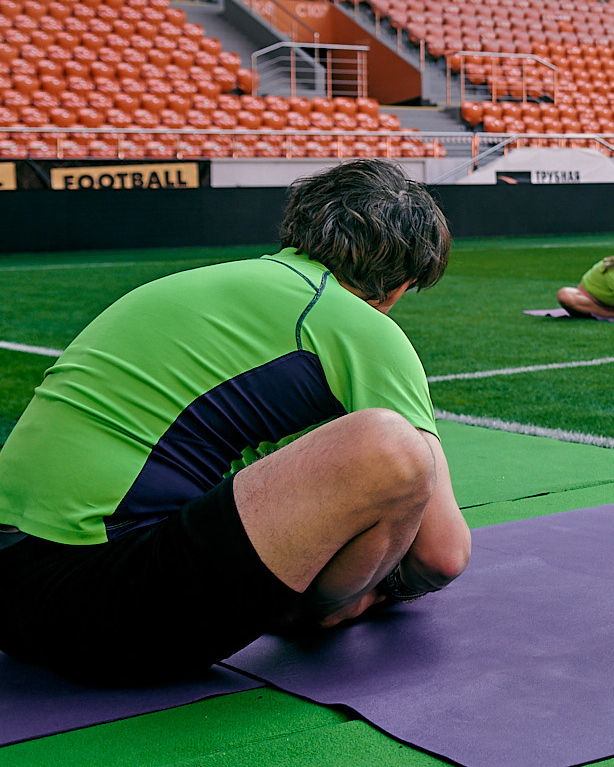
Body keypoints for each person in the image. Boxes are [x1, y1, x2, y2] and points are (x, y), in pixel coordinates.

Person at [0, 160, 468, 688]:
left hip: (14, 590)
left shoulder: (203, 283)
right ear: (402, 285)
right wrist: (379, 585)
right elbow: (441, 555)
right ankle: (328, 609)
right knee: (394, 447)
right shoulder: (358, 325)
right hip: (103, 609)